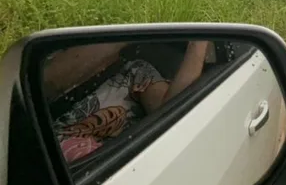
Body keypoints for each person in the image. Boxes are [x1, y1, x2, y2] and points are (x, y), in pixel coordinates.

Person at [43, 41, 212, 163]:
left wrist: (198, 44)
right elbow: (48, 83)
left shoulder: (135, 72)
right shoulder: (52, 60)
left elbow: (172, 110)